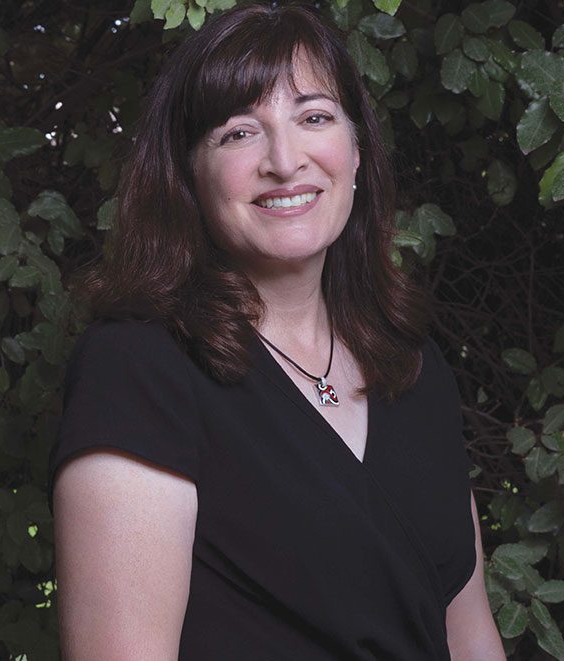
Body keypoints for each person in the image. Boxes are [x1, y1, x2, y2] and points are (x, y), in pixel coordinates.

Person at [51, 5, 504, 659]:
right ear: (188, 176)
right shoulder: (136, 368)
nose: (285, 160)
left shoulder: (416, 368)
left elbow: (470, 638)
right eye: (239, 133)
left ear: (356, 153)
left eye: (314, 117)